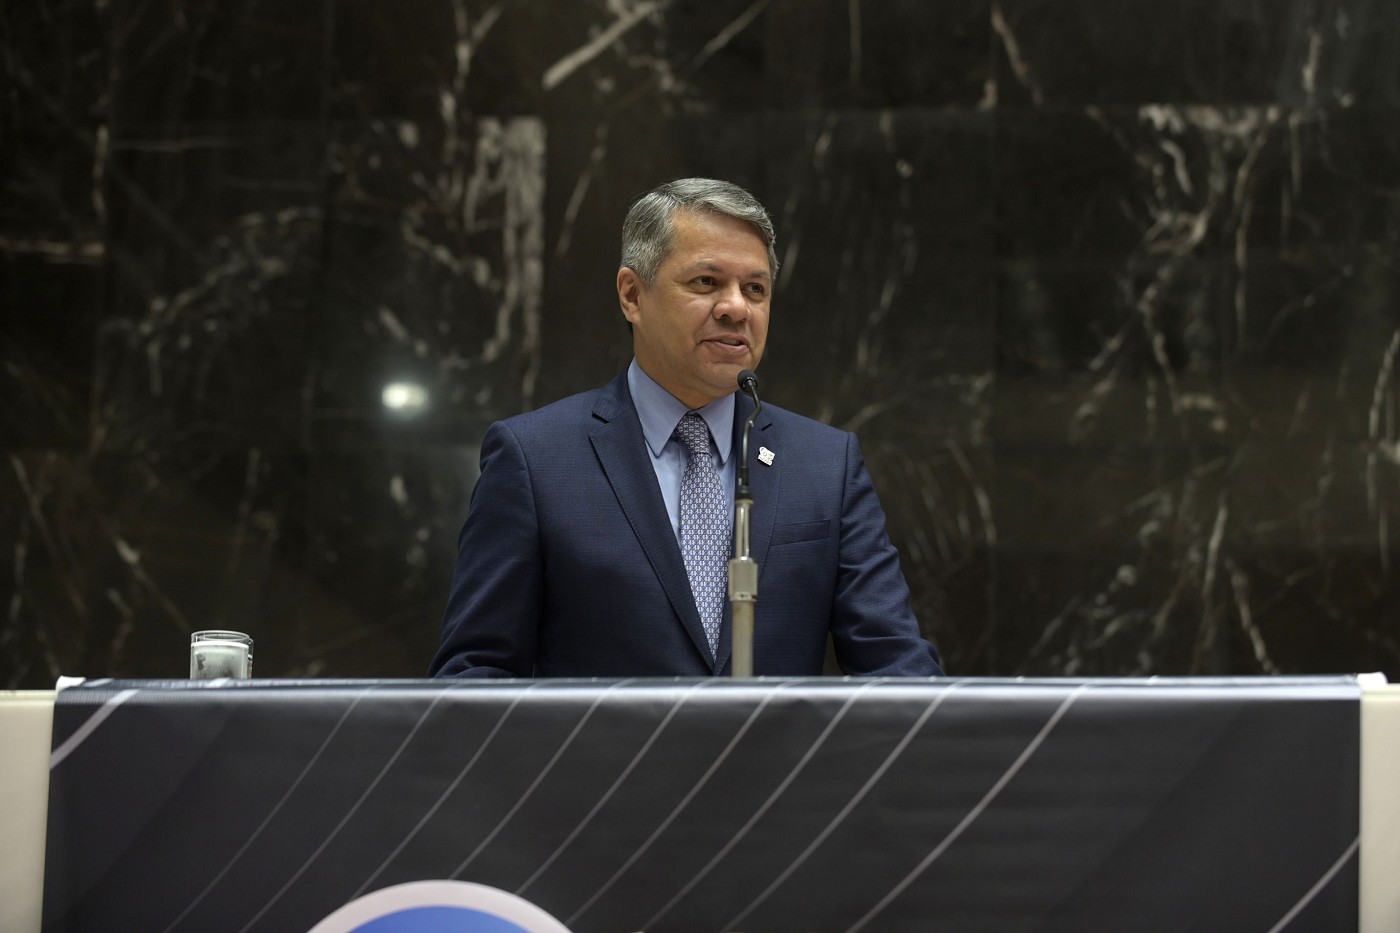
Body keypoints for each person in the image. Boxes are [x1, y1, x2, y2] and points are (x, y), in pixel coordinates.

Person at [431, 178, 942, 678]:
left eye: (755, 289)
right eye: (706, 282)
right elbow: (475, 672)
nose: (736, 307)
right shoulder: (536, 458)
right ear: (632, 295)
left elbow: (898, 666)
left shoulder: (826, 464)